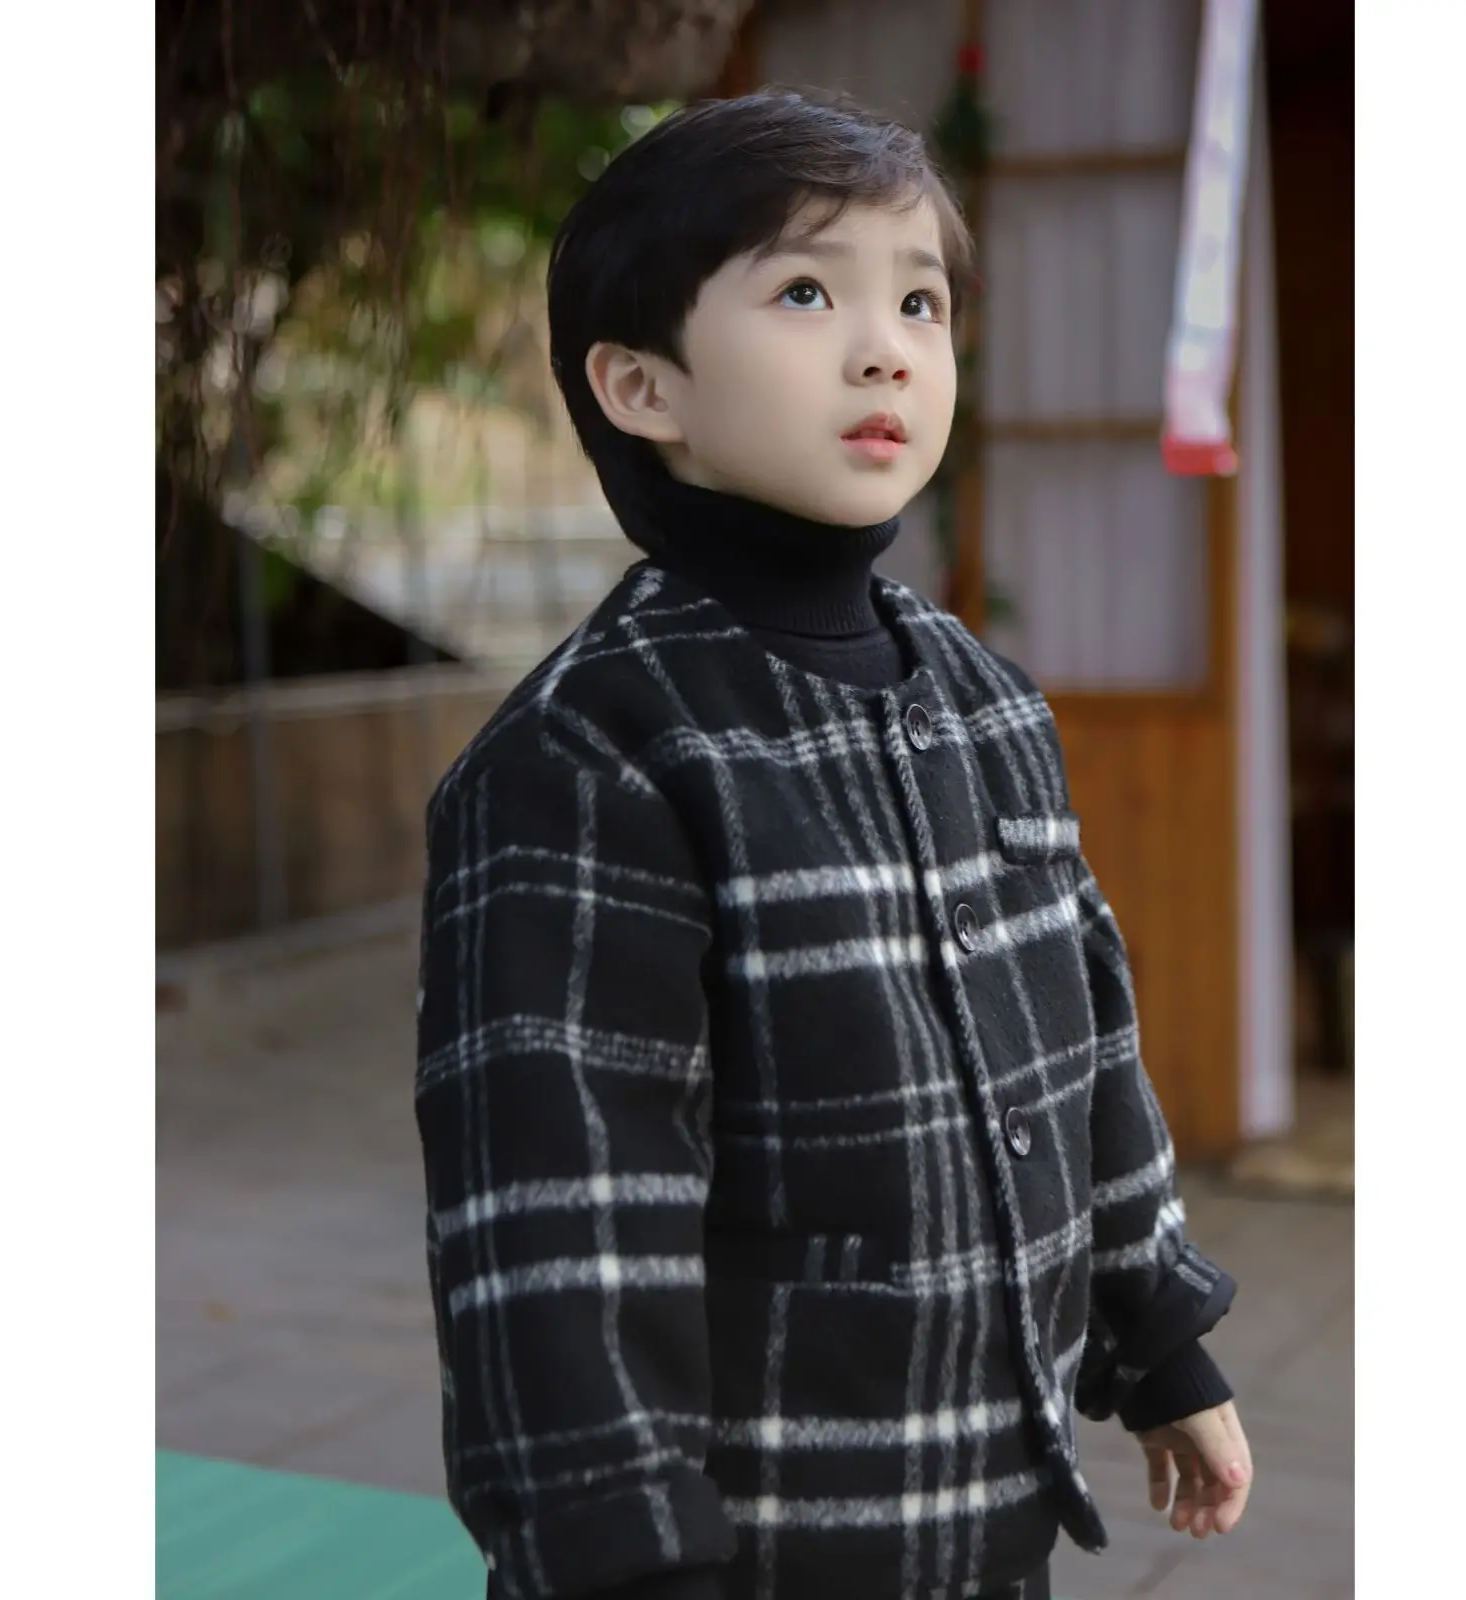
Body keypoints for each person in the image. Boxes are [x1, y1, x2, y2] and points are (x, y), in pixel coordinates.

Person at [415, 87, 1254, 1600]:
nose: (887, 348)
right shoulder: (592, 754)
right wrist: (625, 1553)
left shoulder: (988, 702)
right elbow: (558, 1223)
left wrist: (1161, 1341)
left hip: (991, 1518)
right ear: (641, 385)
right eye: (807, 292)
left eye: (919, 301)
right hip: (755, 1545)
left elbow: (1089, 1054)